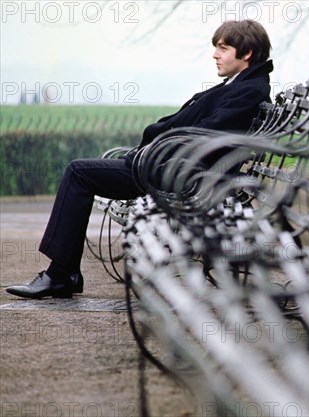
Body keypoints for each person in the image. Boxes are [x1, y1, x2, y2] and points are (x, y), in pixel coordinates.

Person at [6, 19, 273, 299]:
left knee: (78, 172)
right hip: (176, 167)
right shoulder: (242, 85)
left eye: (223, 48)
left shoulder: (249, 89)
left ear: (247, 54)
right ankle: (63, 274)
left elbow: (206, 134)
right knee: (81, 173)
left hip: (180, 174)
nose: (215, 54)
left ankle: (60, 275)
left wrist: (150, 152)